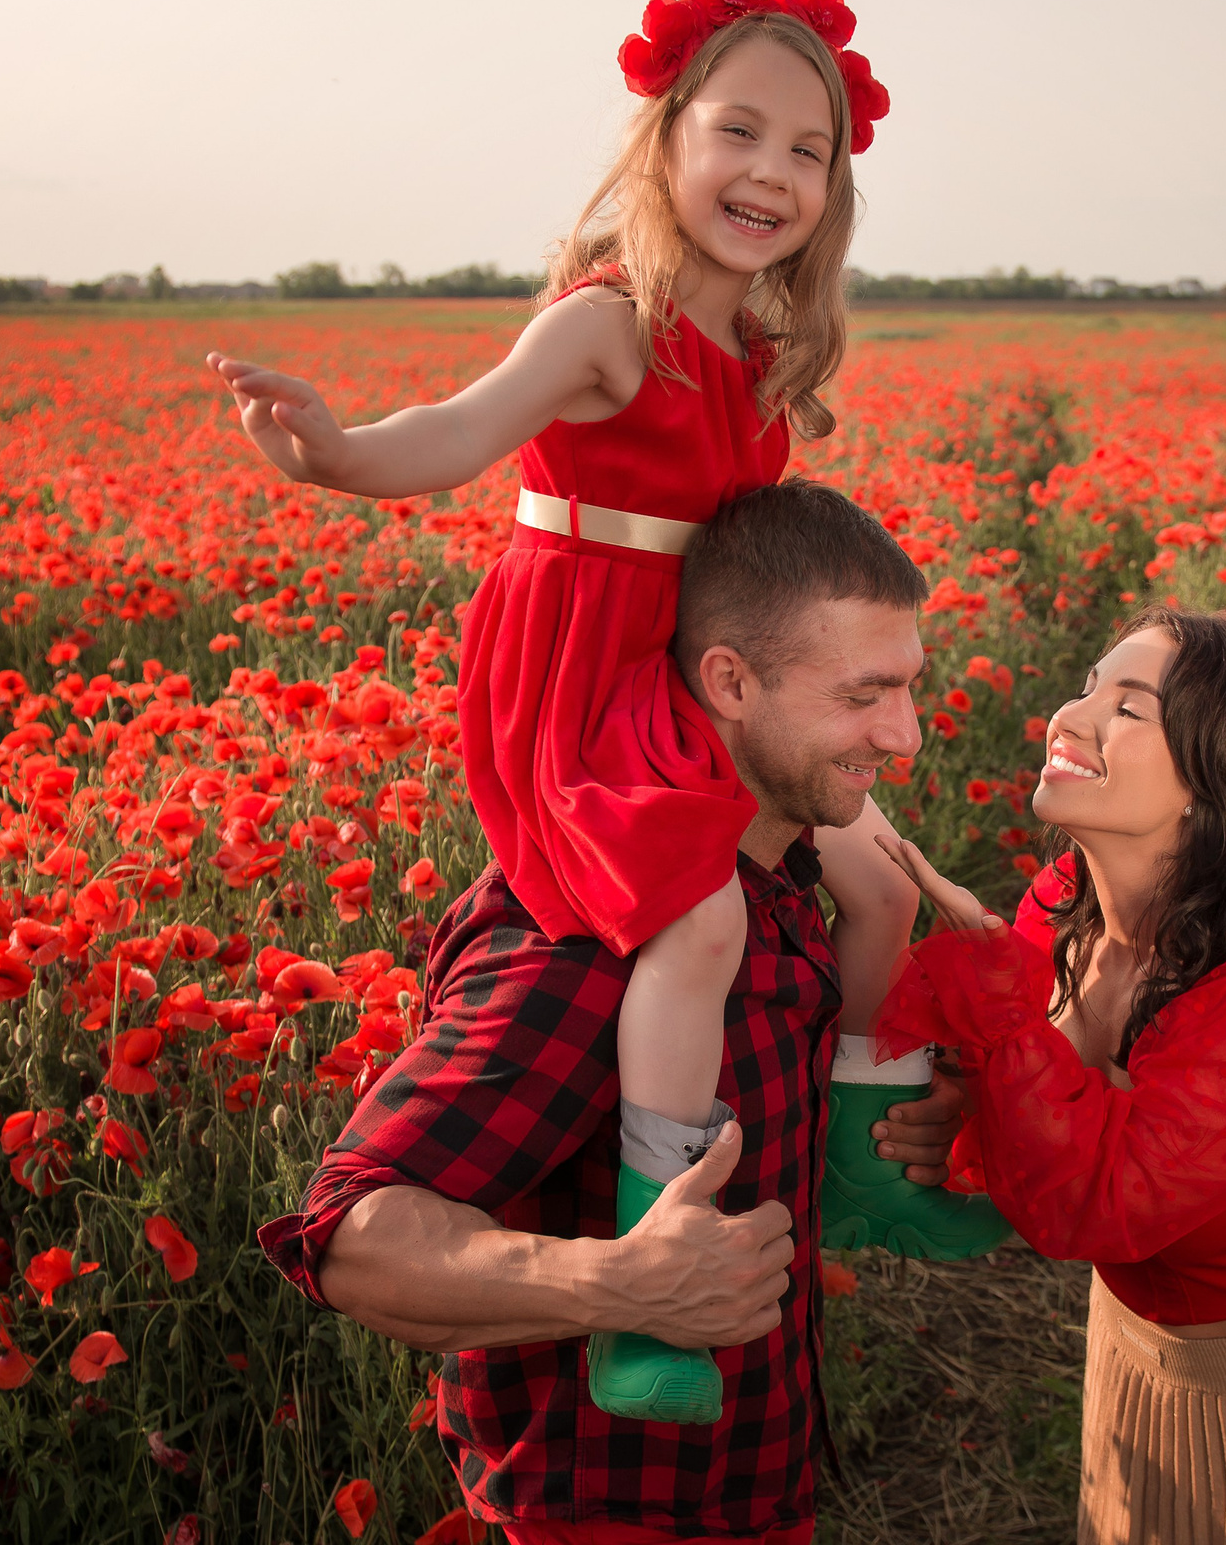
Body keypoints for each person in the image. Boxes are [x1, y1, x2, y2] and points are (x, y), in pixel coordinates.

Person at [214, 0, 1003, 1422]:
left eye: (807, 150)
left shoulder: (757, 355)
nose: (769, 172)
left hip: (692, 676)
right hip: (582, 683)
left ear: (833, 190)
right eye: (738, 130)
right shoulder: (608, 321)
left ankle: (856, 1165)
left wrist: (883, 827)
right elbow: (454, 432)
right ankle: (656, 1258)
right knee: (701, 922)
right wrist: (334, 453)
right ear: (665, 140)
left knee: (876, 883)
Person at [259, 480, 980, 1544]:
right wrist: (617, 1285)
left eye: (909, 686)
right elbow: (353, 1236)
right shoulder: (588, 946)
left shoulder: (777, 872)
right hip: (614, 1507)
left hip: (745, 1474)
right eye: (863, 695)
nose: (905, 735)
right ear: (728, 683)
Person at [875, 606, 1226, 1545]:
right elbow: (1038, 1107)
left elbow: (1100, 1202)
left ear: (1211, 782)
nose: (1071, 716)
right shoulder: (1063, 906)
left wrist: (989, 994)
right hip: (1135, 1365)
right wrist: (967, 1103)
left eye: (1129, 707)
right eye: (1087, 687)